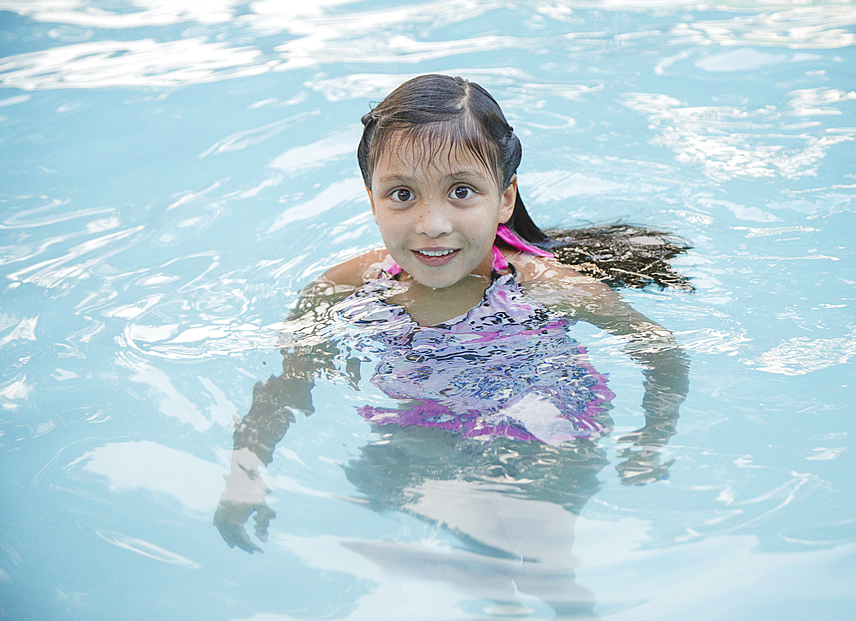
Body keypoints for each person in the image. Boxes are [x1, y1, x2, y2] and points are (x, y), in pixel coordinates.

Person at [215, 74, 690, 617]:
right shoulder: (343, 288)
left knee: (546, 571)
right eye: (402, 194)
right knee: (483, 568)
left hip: (542, 427)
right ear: (372, 201)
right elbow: (286, 384)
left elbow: (660, 349)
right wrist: (245, 474)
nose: (432, 224)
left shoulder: (550, 287)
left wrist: (654, 436)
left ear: (504, 197)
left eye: (461, 192)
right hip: (423, 426)